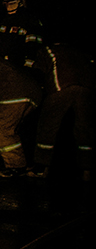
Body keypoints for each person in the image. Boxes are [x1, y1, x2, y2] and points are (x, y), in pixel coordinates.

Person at [0, 52, 44, 178]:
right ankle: (16, 162)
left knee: (1, 128)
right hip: (34, 93)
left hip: (15, 95)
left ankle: (16, 166)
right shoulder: (4, 63)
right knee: (12, 128)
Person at [30, 44, 94, 180]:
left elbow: (38, 71)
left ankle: (41, 168)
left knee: (47, 125)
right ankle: (87, 170)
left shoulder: (47, 50)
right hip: (86, 87)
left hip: (61, 86)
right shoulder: (79, 51)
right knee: (84, 128)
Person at [0, 0, 44, 69]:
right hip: (4, 69)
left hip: (20, 70)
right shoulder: (4, 21)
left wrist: (27, 69)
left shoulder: (29, 20)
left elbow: (34, 49)